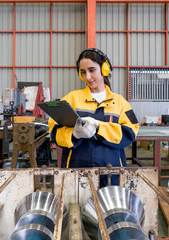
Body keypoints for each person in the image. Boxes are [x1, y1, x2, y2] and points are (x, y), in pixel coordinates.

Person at [49, 48, 139, 187]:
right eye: (83, 72)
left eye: (92, 70)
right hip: (76, 170)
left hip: (111, 172)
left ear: (104, 69)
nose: (87, 77)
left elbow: (130, 132)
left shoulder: (120, 102)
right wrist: (73, 134)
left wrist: (99, 126)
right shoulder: (71, 99)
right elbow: (54, 131)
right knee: (76, 207)